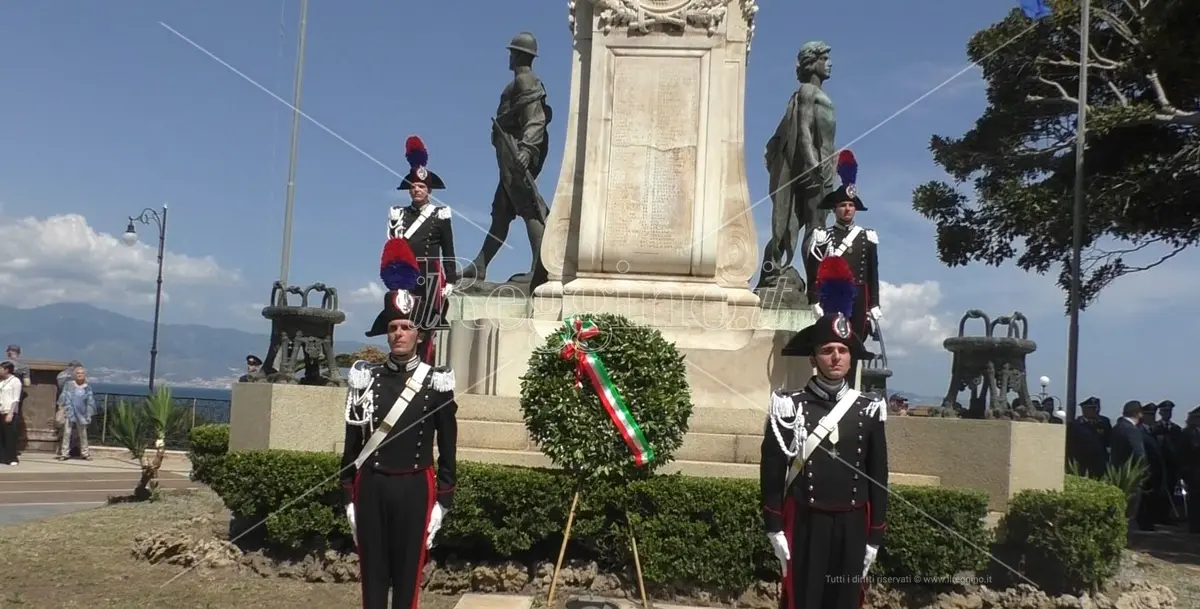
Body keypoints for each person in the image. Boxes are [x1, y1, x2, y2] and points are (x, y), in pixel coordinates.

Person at [763, 256, 888, 609]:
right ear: (813, 359)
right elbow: (772, 470)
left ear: (851, 358)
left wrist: (875, 535)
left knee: (845, 601)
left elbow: (878, 476)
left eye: (843, 351)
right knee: (803, 600)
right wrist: (774, 525)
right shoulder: (788, 405)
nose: (835, 357)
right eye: (827, 350)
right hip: (805, 520)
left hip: (852, 522)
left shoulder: (869, 409)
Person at [341, 237, 458, 609]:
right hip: (372, 485)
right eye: (393, 327)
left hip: (414, 487)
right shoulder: (365, 379)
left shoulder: (436, 382)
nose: (399, 334)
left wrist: (443, 501)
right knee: (373, 578)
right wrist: (348, 495)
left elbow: (448, 447)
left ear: (419, 334)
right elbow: (352, 445)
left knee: (408, 580)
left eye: (406, 327)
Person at [462, 31, 553, 285]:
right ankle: (480, 265)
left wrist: (526, 150)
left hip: (516, 156)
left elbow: (536, 119)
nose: (509, 57)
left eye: (512, 52)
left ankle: (541, 269)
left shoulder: (526, 81)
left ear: (520, 54)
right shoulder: (519, 83)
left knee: (529, 208)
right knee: (501, 213)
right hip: (508, 156)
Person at [389, 135, 457, 363]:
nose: (417, 190)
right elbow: (392, 247)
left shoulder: (441, 215)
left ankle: (424, 363)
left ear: (429, 190)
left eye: (421, 186)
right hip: (405, 273)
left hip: (430, 274)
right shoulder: (398, 214)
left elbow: (448, 249)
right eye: (413, 186)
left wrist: (451, 281)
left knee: (427, 322)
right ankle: (402, 361)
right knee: (402, 317)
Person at [804, 151, 881, 344]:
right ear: (834, 209)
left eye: (850, 205)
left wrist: (874, 304)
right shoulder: (822, 236)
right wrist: (813, 300)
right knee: (833, 341)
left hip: (859, 298)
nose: (847, 209)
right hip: (832, 296)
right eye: (842, 205)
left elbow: (873, 273)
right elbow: (813, 272)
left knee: (855, 344)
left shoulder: (867, 236)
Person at [1111, 400, 1148, 536]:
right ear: (1138, 414)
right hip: (1131, 477)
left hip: (1116, 475)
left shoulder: (1117, 427)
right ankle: (1126, 538)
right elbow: (1139, 454)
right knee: (1130, 511)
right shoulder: (1132, 430)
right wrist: (1143, 472)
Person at [1152, 400, 1185, 523]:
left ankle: (1166, 515)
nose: (1167, 413)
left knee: (1171, 490)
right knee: (1158, 491)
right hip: (1159, 464)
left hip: (1172, 465)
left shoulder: (1176, 429)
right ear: (1160, 412)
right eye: (1165, 411)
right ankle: (1157, 515)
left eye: (1169, 411)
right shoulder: (1155, 428)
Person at [56, 367, 96, 461]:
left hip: (82, 413)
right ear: (74, 375)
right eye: (78, 373)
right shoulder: (69, 385)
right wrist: (61, 406)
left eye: (82, 373)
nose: (80, 375)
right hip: (69, 412)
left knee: (83, 434)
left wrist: (89, 413)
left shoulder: (87, 387)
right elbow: (63, 395)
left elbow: (90, 401)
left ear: (85, 375)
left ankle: (85, 453)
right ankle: (64, 453)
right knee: (66, 433)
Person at [1180, 406, 1200, 534]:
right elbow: (1183, 452)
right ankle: (1194, 526)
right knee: (1194, 499)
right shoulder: (1187, 433)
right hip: (1193, 471)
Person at [0, 361, 21, 465]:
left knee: (10, 436)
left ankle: (12, 458)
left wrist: (11, 413)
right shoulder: (2, 381)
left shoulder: (15, 381)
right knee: (2, 435)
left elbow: (15, 399)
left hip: (9, 410)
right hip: (1, 410)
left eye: (1, 369)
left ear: (7, 370)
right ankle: (3, 457)